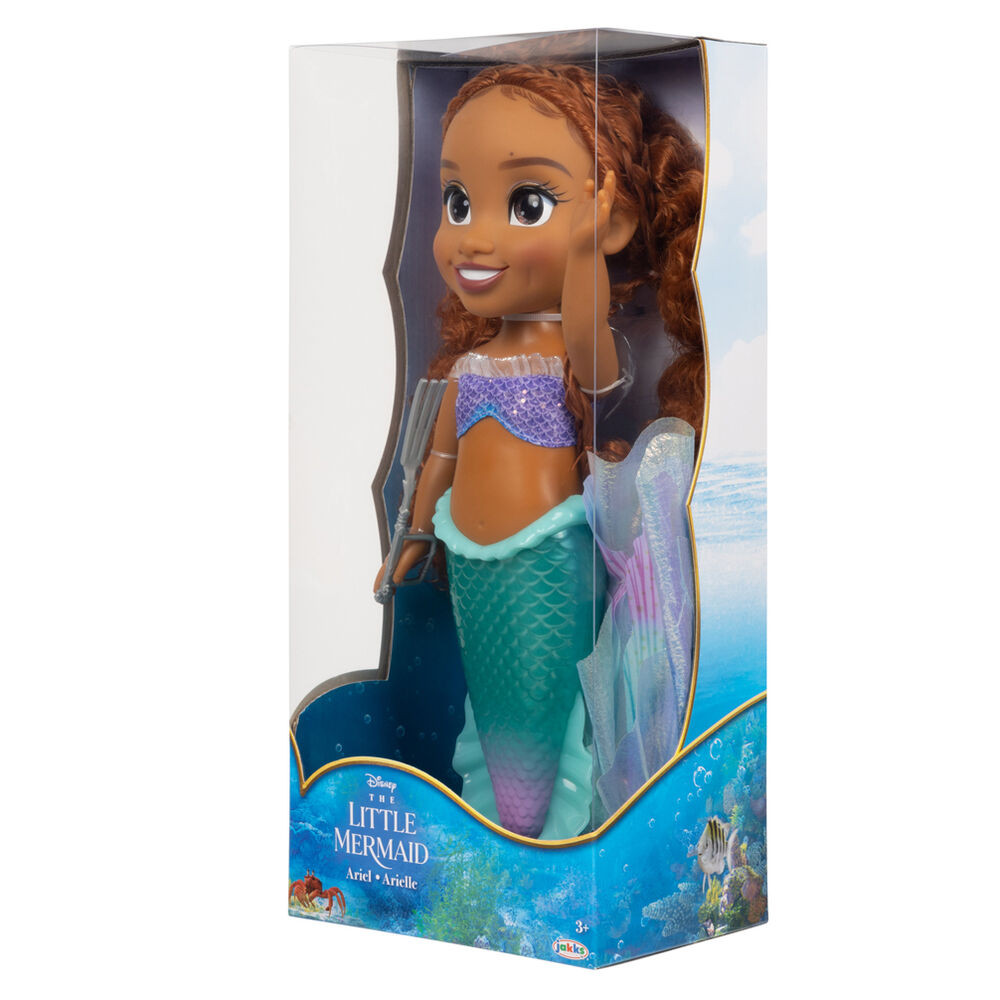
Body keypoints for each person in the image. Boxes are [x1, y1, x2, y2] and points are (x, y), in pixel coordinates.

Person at [375, 64, 704, 838]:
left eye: (527, 203)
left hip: (553, 553)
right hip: (468, 558)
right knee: (491, 716)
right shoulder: (467, 367)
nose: (473, 235)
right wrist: (415, 535)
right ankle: (498, 827)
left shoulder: (569, 356)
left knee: (551, 720)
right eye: (457, 202)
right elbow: (439, 461)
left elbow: (592, 351)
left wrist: (584, 251)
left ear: (613, 222)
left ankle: (552, 836)